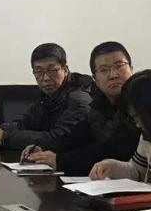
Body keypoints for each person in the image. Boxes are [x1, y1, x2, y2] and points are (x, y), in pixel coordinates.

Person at [25, 41, 138, 174]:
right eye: (104, 70)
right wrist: (42, 148)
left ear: (131, 68)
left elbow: (116, 149)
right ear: (95, 78)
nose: (113, 75)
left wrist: (61, 160)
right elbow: (77, 135)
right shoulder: (99, 103)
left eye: (119, 66)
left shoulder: (141, 102)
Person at [0, 43, 92, 150]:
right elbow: (27, 124)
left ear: (65, 70)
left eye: (52, 70)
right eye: (39, 71)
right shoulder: (48, 94)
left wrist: (5, 137)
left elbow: (57, 139)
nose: (45, 78)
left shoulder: (79, 98)